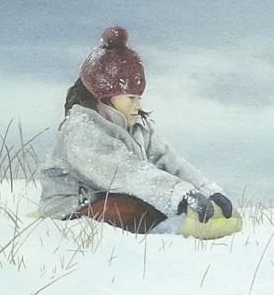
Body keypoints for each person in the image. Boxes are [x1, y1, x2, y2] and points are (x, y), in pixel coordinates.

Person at [38, 26, 234, 234]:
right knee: (132, 212)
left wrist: (206, 190)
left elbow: (168, 161)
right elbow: (126, 172)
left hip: (115, 196)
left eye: (138, 97)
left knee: (148, 210)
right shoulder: (83, 130)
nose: (137, 105)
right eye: (131, 97)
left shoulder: (137, 127)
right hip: (72, 209)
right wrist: (181, 195)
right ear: (104, 97)